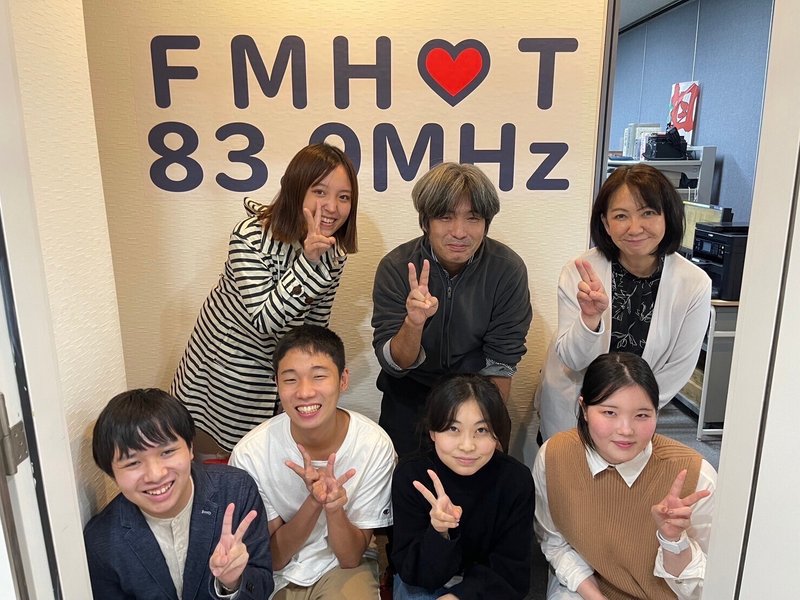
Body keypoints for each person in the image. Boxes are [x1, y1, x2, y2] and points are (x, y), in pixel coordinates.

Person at [171, 143, 359, 453]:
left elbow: (315, 325)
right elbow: (265, 320)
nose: (332, 207)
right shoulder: (250, 236)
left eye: (344, 197)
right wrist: (309, 262)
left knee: (267, 452)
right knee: (225, 452)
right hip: (227, 368)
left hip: (279, 374)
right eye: (320, 192)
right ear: (296, 190)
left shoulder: (333, 251)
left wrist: (308, 378)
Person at [536, 163, 711, 441]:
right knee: (566, 467)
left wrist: (629, 414)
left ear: (668, 216)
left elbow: (678, 367)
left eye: (648, 213)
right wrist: (589, 320)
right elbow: (572, 359)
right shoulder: (580, 271)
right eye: (620, 216)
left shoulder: (694, 284)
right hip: (571, 408)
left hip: (634, 421)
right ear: (606, 224)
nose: (635, 227)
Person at [372, 162, 532, 457]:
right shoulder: (396, 267)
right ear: (425, 222)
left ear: (486, 223)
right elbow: (396, 364)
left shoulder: (507, 269)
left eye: (473, 218)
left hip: (478, 398)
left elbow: (501, 362)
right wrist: (413, 323)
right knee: (407, 483)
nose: (459, 232)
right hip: (408, 401)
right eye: (445, 217)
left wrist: (488, 426)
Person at [229, 324, 396, 599]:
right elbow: (274, 559)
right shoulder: (251, 454)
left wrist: (334, 508)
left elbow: (350, 558)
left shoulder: (373, 446)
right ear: (276, 384)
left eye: (319, 376)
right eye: (290, 379)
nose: (305, 392)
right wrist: (313, 502)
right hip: (278, 574)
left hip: (342, 567)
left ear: (343, 379)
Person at [534, 353, 716, 600]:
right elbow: (556, 543)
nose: (626, 430)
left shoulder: (696, 477)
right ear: (584, 409)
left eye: (642, 415)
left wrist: (673, 541)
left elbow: (711, 585)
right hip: (593, 591)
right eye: (610, 412)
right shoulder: (555, 456)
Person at [83, 388, 273, 599]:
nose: (155, 475)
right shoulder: (101, 540)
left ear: (190, 448)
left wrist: (232, 583)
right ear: (112, 474)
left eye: (167, 452)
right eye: (133, 463)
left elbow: (263, 586)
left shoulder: (235, 490)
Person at [391, 374, 534, 599]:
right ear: (433, 432)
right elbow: (411, 571)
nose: (467, 446)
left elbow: (512, 571)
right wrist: (439, 533)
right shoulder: (412, 476)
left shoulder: (515, 481)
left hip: (487, 586)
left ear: (496, 434)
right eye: (453, 428)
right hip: (424, 580)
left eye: (481, 430)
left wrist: (460, 596)